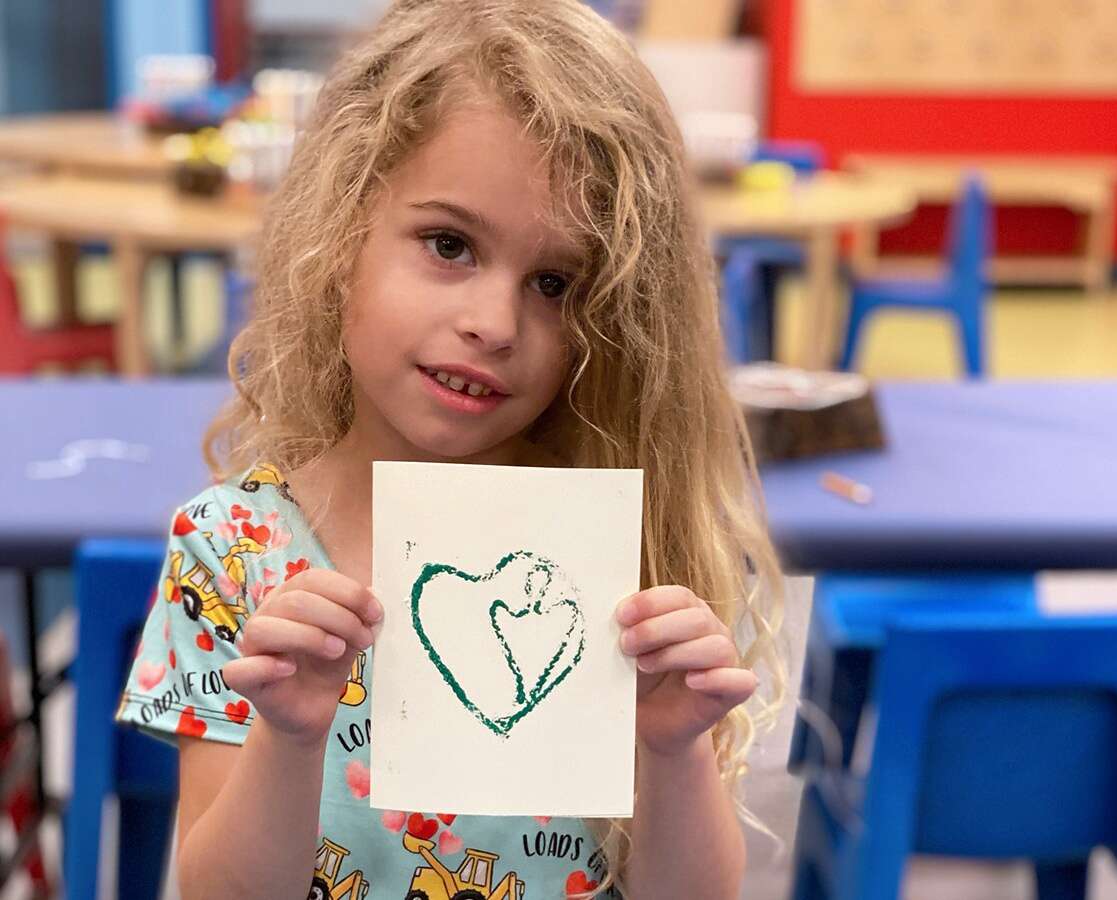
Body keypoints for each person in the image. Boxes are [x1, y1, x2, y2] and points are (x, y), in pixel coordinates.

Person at [117, 1, 786, 896]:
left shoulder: (615, 552)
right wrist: (289, 735)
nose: (494, 323)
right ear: (341, 231)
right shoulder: (232, 551)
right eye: (450, 245)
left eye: (555, 283)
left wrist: (674, 751)